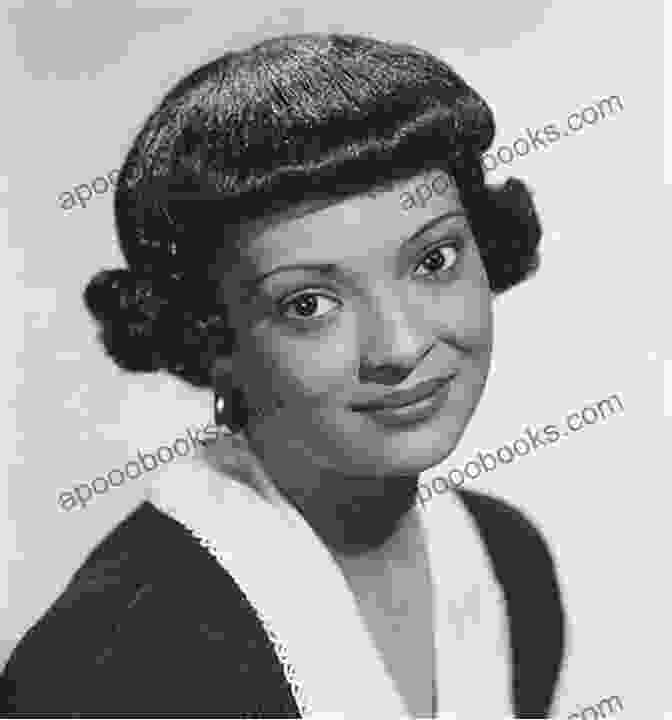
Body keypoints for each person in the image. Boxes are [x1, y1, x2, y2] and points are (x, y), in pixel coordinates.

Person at [1, 33, 565, 717]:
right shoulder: (112, 659)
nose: (401, 343)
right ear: (210, 340)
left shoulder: (509, 564)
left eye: (435, 261)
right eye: (310, 305)